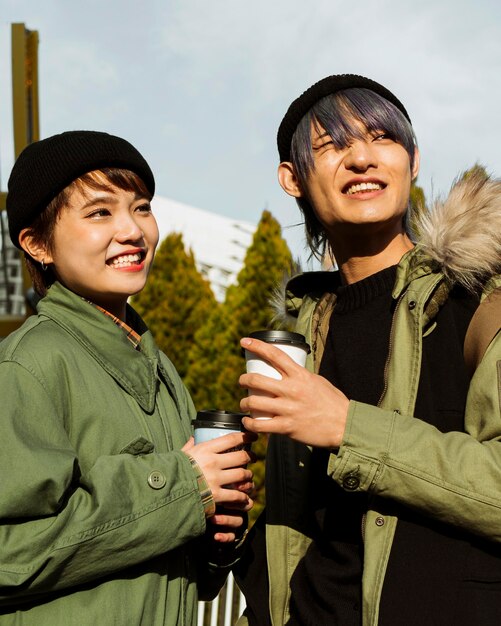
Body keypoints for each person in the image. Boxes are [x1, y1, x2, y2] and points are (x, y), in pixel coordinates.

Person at [235, 74, 501, 625]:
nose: (362, 159)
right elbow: (312, 528)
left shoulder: (480, 303)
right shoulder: (303, 334)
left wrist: (348, 427)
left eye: (382, 138)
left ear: (414, 160)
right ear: (292, 179)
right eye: (332, 145)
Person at [0, 130, 255, 625]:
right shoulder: (26, 366)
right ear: (37, 243)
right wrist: (183, 486)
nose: (133, 231)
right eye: (100, 212)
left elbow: (168, 567)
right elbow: (9, 554)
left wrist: (217, 532)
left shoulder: (160, 370)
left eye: (141, 207)